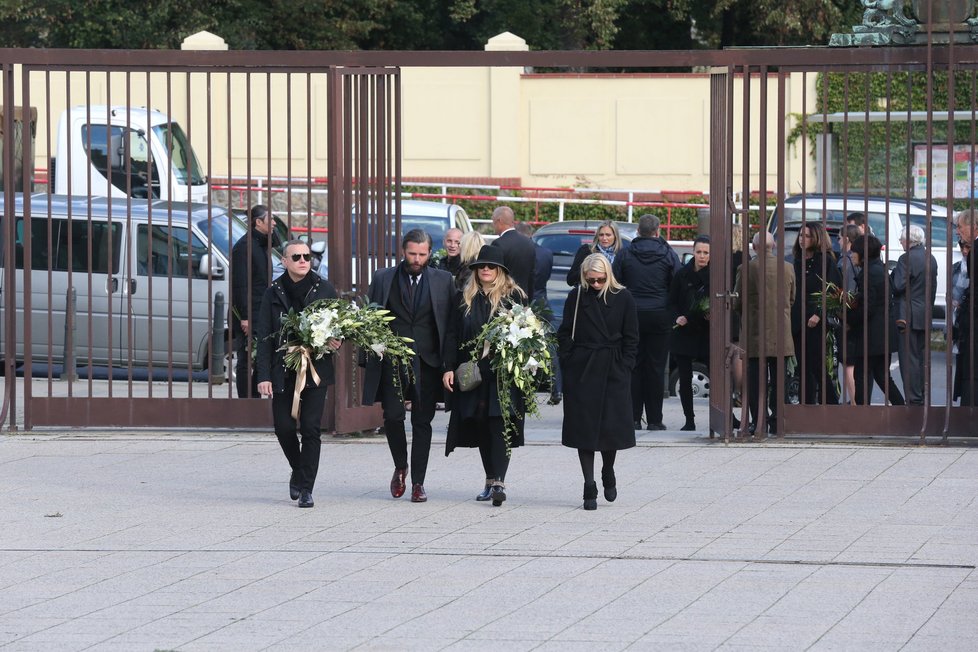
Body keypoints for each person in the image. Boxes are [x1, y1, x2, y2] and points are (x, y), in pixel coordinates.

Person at [362, 229, 456, 503]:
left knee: (422, 421)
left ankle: (418, 483)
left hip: (428, 361)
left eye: (422, 254)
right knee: (392, 416)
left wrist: (448, 364)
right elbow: (371, 315)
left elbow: (449, 326)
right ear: (403, 251)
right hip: (392, 358)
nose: (417, 259)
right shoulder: (383, 278)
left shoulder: (443, 280)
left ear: (429, 253)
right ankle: (400, 465)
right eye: (412, 253)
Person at [256, 239, 340, 508]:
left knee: (311, 428)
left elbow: (337, 326)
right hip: (283, 368)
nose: (304, 261)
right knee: (283, 426)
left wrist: (334, 339)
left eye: (307, 256)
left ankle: (306, 489)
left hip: (315, 369)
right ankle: (299, 468)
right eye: (297, 257)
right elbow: (264, 337)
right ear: (284, 262)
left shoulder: (324, 288)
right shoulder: (273, 292)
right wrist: (263, 376)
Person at [442, 245, 527, 506]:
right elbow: (452, 334)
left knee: (500, 424)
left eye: (491, 266)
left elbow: (524, 335)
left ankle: (500, 482)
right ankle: (490, 480)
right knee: (480, 424)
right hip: (472, 373)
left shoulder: (514, 298)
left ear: (500, 271)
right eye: (481, 266)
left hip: (503, 373)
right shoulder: (464, 297)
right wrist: (448, 367)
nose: (486, 270)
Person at [558, 254, 638, 510]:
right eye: (591, 280)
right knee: (584, 430)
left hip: (613, 368)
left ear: (608, 276)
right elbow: (565, 330)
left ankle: (608, 470)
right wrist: (568, 357)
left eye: (600, 280)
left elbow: (632, 336)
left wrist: (625, 366)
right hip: (582, 368)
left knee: (610, 429)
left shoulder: (624, 297)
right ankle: (588, 485)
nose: (595, 284)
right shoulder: (577, 296)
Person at [613, 213, 681, 430]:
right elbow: (677, 285)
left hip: (631, 315)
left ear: (638, 232)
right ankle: (654, 420)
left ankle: (633, 418)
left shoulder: (625, 254)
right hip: (660, 316)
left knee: (633, 367)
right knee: (656, 367)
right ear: (658, 231)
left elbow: (615, 284)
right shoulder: (668, 254)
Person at [733, 232, 795, 440]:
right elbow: (792, 298)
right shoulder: (787, 268)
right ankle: (779, 421)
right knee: (780, 381)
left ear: (754, 247)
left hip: (754, 333)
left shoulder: (746, 269)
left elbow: (737, 303)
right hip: (781, 332)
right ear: (774, 246)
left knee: (755, 381)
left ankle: (758, 421)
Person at [847, 235, 905, 406]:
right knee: (881, 375)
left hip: (872, 335)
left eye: (854, 252)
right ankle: (902, 409)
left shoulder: (870, 273)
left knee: (862, 374)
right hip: (881, 334)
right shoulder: (877, 269)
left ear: (864, 253)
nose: (851, 255)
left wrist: (849, 317)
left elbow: (868, 306)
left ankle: (863, 416)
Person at [791, 222, 842, 405]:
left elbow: (833, 291)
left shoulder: (825, 261)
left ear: (816, 238)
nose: (802, 239)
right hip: (796, 321)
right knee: (802, 368)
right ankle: (807, 406)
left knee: (818, 366)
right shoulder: (795, 260)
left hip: (816, 322)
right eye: (800, 235)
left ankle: (831, 405)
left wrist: (819, 314)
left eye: (807, 236)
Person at [231, 204, 274, 398]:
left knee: (260, 357)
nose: (273, 223)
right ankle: (245, 401)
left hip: (261, 310)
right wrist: (245, 316)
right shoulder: (244, 248)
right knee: (246, 359)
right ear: (258, 222)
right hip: (249, 312)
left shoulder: (261, 243)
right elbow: (240, 285)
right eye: (270, 219)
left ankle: (254, 398)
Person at [891, 224, 937, 406]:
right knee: (922, 359)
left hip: (907, 315)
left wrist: (893, 273)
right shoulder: (930, 257)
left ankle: (914, 400)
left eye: (902, 239)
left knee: (908, 359)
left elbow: (898, 286)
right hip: (924, 313)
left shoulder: (906, 258)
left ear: (909, 240)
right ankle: (923, 396)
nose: (901, 242)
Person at [669, 235, 711, 431]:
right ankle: (689, 419)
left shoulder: (716, 275)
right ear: (693, 252)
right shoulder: (682, 274)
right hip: (684, 332)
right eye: (699, 252)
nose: (702, 256)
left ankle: (723, 417)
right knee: (684, 378)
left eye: (706, 253)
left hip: (707, 332)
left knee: (718, 375)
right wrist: (677, 317)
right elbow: (672, 301)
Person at [516, 221, 561, 405]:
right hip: (542, 300)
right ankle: (556, 388)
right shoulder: (546, 253)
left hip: (522, 301)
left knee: (520, 347)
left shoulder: (517, 253)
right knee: (550, 347)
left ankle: (525, 391)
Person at [954, 209, 978, 404]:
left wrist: (964, 310)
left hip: (974, 322)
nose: (957, 231)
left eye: (960, 227)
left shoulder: (974, 252)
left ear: (974, 227)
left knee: (972, 370)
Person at [490, 205, 536, 302]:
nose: (492, 225)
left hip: (502, 300)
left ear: (499, 221)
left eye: (493, 222)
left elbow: (494, 276)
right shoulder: (529, 243)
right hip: (523, 299)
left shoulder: (498, 244)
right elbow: (532, 276)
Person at [838, 224, 861, 404]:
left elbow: (846, 291)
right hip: (857, 315)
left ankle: (853, 402)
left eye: (839, 237)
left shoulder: (845, 261)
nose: (837, 241)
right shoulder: (858, 259)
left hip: (848, 316)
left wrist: (844, 315)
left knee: (848, 363)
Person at [566, 220, 624, 286]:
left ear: (615, 236)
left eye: (608, 235)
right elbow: (570, 279)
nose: (604, 238)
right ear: (597, 236)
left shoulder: (621, 255)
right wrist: (587, 270)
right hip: (588, 294)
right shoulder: (587, 250)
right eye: (601, 235)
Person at [951, 237, 971, 402]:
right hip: (959, 322)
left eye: (967, 247)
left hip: (968, 318)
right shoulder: (957, 267)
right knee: (962, 365)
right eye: (962, 247)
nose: (964, 251)